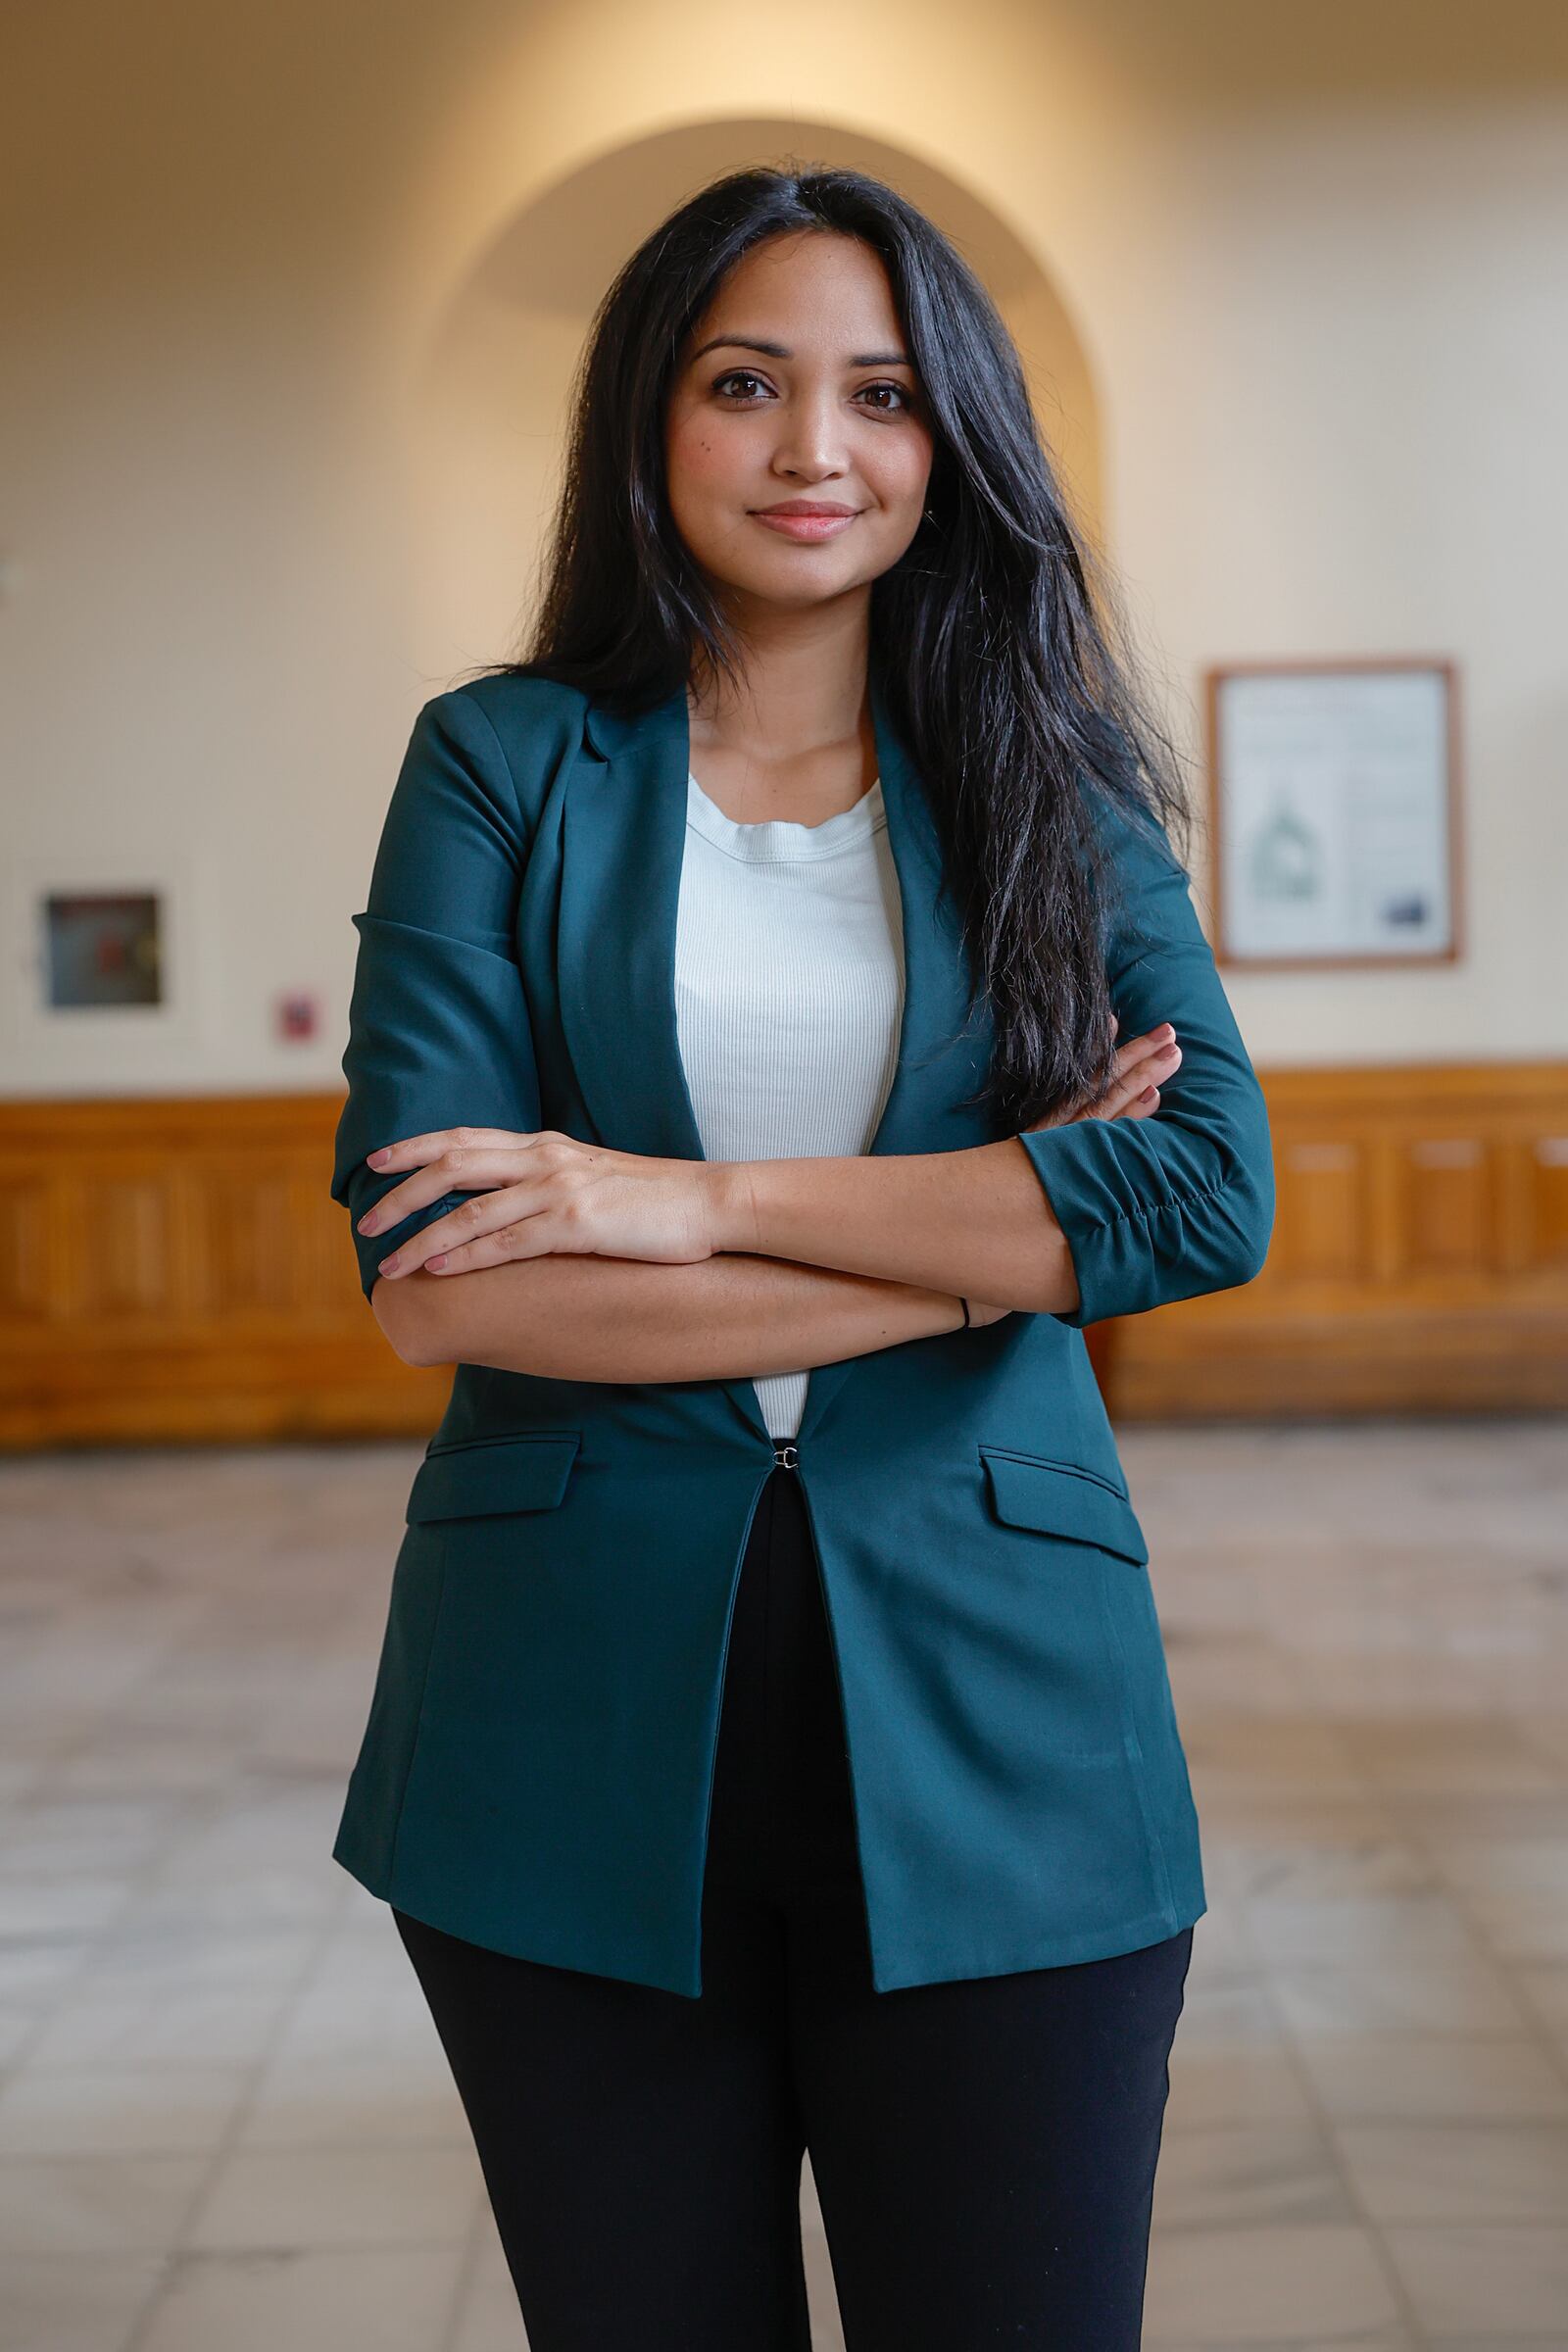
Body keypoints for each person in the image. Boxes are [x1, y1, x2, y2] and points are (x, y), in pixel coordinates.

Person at [328, 165, 1274, 2349]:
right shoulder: (498, 769)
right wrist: (995, 1246)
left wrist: (682, 1196)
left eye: (875, 393)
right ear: (648, 426)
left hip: (1007, 1713)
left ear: (950, 442)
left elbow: (1199, 1198)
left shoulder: (1053, 787)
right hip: (553, 1724)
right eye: (742, 384)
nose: (809, 451)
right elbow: (442, 1279)